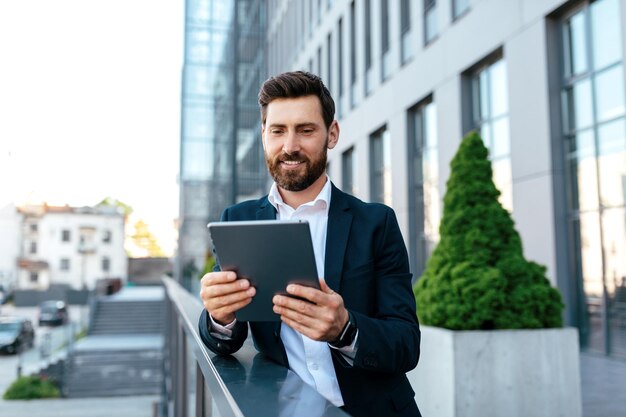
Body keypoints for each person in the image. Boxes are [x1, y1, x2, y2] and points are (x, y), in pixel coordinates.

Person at [198, 71, 421, 417]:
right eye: (277, 131)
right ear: (263, 136)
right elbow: (224, 341)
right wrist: (219, 315)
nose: (290, 146)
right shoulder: (237, 219)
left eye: (305, 130)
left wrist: (345, 329)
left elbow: (407, 343)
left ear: (331, 134)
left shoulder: (377, 223)